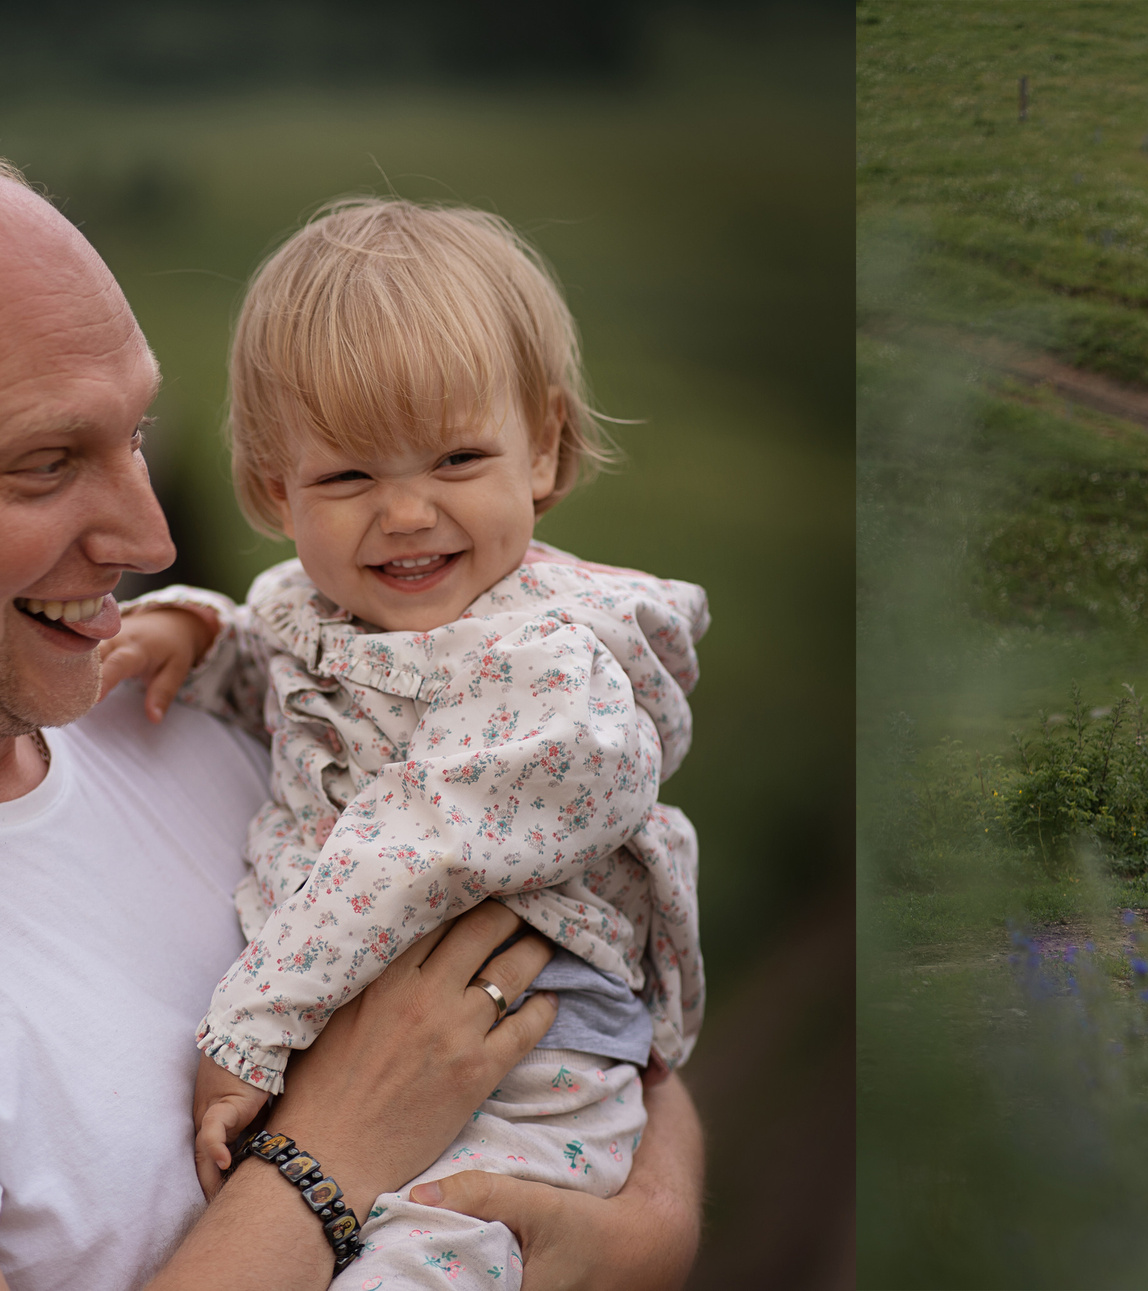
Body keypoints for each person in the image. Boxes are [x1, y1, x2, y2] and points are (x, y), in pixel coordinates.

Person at [0, 142, 701, 1291]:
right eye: (47, 461)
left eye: (135, 434)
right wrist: (333, 1151)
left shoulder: (163, 704)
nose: (152, 539)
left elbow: (589, 986)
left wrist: (643, 1232)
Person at [95, 199, 706, 1284]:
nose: (409, 512)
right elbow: (310, 678)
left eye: (458, 458)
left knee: (437, 1246)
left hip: (532, 1054)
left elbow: (403, 849)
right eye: (349, 477)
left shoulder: (555, 678)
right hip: (380, 1037)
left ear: (546, 451)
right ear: (275, 489)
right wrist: (202, 628)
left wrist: (244, 1033)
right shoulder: (322, 609)